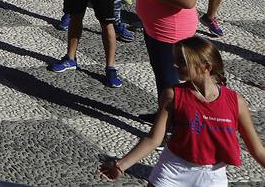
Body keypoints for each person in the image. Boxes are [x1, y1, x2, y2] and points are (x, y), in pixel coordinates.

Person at [100, 36, 265, 185]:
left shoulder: (235, 101)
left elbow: (257, 150)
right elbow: (154, 139)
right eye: (175, 59)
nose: (174, 64)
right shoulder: (172, 95)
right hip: (173, 169)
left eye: (182, 61)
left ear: (206, 67)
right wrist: (121, 166)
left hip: (212, 176)